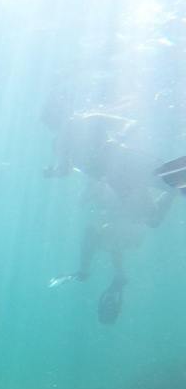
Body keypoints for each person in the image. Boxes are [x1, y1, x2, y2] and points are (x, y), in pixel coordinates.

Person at [46, 111, 175, 324]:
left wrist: (119, 140)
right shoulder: (61, 144)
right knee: (153, 219)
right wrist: (53, 172)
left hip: (131, 164)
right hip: (122, 183)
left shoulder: (90, 121)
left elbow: (131, 123)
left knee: (173, 188)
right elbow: (66, 168)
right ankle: (173, 187)